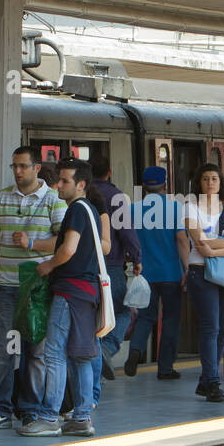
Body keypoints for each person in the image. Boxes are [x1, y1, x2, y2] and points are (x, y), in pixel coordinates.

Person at [0, 146, 67, 429]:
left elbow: (64, 242)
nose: (17, 172)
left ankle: (30, 408)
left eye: (22, 166)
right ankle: (0, 410)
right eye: (14, 166)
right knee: (2, 350)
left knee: (35, 351)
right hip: (5, 285)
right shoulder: (1, 198)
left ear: (36, 168)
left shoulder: (54, 201)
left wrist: (32, 244)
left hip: (37, 287)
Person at [31, 160, 112, 438]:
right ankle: (81, 417)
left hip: (69, 291)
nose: (59, 185)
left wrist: (49, 265)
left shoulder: (76, 209)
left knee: (53, 353)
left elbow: (68, 249)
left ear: (81, 184)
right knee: (82, 357)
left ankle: (49, 416)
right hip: (87, 293)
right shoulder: (90, 210)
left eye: (65, 181)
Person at [183, 163, 224, 403]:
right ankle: (213, 381)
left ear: (221, 183)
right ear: (199, 182)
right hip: (200, 273)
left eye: (214, 179)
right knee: (211, 328)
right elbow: (198, 242)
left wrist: (213, 248)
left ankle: (206, 380)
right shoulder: (190, 207)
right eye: (206, 178)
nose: (210, 183)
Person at [126, 166, 189, 380]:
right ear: (165, 185)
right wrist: (187, 268)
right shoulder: (175, 208)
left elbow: (129, 241)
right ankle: (165, 368)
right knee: (170, 320)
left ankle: (136, 349)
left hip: (145, 274)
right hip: (171, 273)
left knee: (145, 317)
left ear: (143, 186)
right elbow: (181, 240)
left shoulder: (133, 209)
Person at [90, 155, 141, 380]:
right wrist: (137, 257)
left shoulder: (82, 195)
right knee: (121, 311)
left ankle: (93, 357)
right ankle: (106, 349)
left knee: (91, 315)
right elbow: (126, 232)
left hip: (85, 266)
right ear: (109, 172)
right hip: (111, 265)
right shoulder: (116, 196)